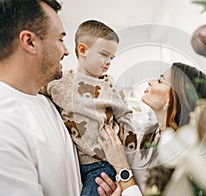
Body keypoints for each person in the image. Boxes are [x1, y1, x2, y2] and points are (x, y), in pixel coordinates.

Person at [0, 0, 82, 195]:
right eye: (60, 39)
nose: (66, 51)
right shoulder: (5, 125)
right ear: (30, 42)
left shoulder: (45, 103)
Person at [45, 20, 137, 196]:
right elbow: (36, 86)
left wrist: (129, 157)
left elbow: (125, 116)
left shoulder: (110, 85)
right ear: (83, 50)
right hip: (77, 165)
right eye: (104, 54)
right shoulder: (59, 82)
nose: (108, 61)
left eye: (112, 57)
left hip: (104, 165)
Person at [95, 62, 206, 195]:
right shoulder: (149, 135)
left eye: (160, 81)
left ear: (174, 97)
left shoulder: (181, 154)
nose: (151, 82)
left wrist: (122, 168)